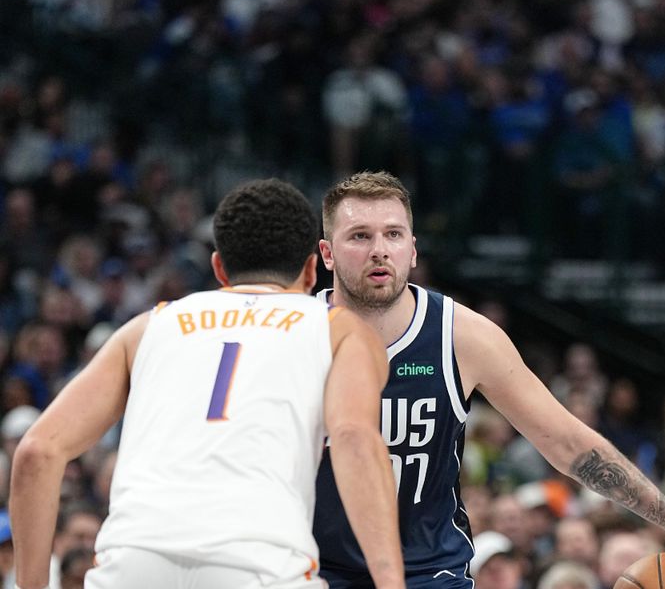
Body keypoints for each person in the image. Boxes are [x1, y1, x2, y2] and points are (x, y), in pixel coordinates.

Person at [312, 170, 665, 589]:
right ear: (327, 254)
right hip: (314, 570)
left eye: (393, 234)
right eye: (360, 236)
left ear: (414, 250)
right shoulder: (291, 338)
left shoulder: (462, 337)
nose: (379, 250)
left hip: (428, 573)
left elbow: (565, 441)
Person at [10, 179, 405, 589]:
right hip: (258, 567)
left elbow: (37, 452)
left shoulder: (148, 326)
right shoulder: (337, 329)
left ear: (219, 268)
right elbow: (354, 439)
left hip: (130, 567)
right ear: (310, 269)